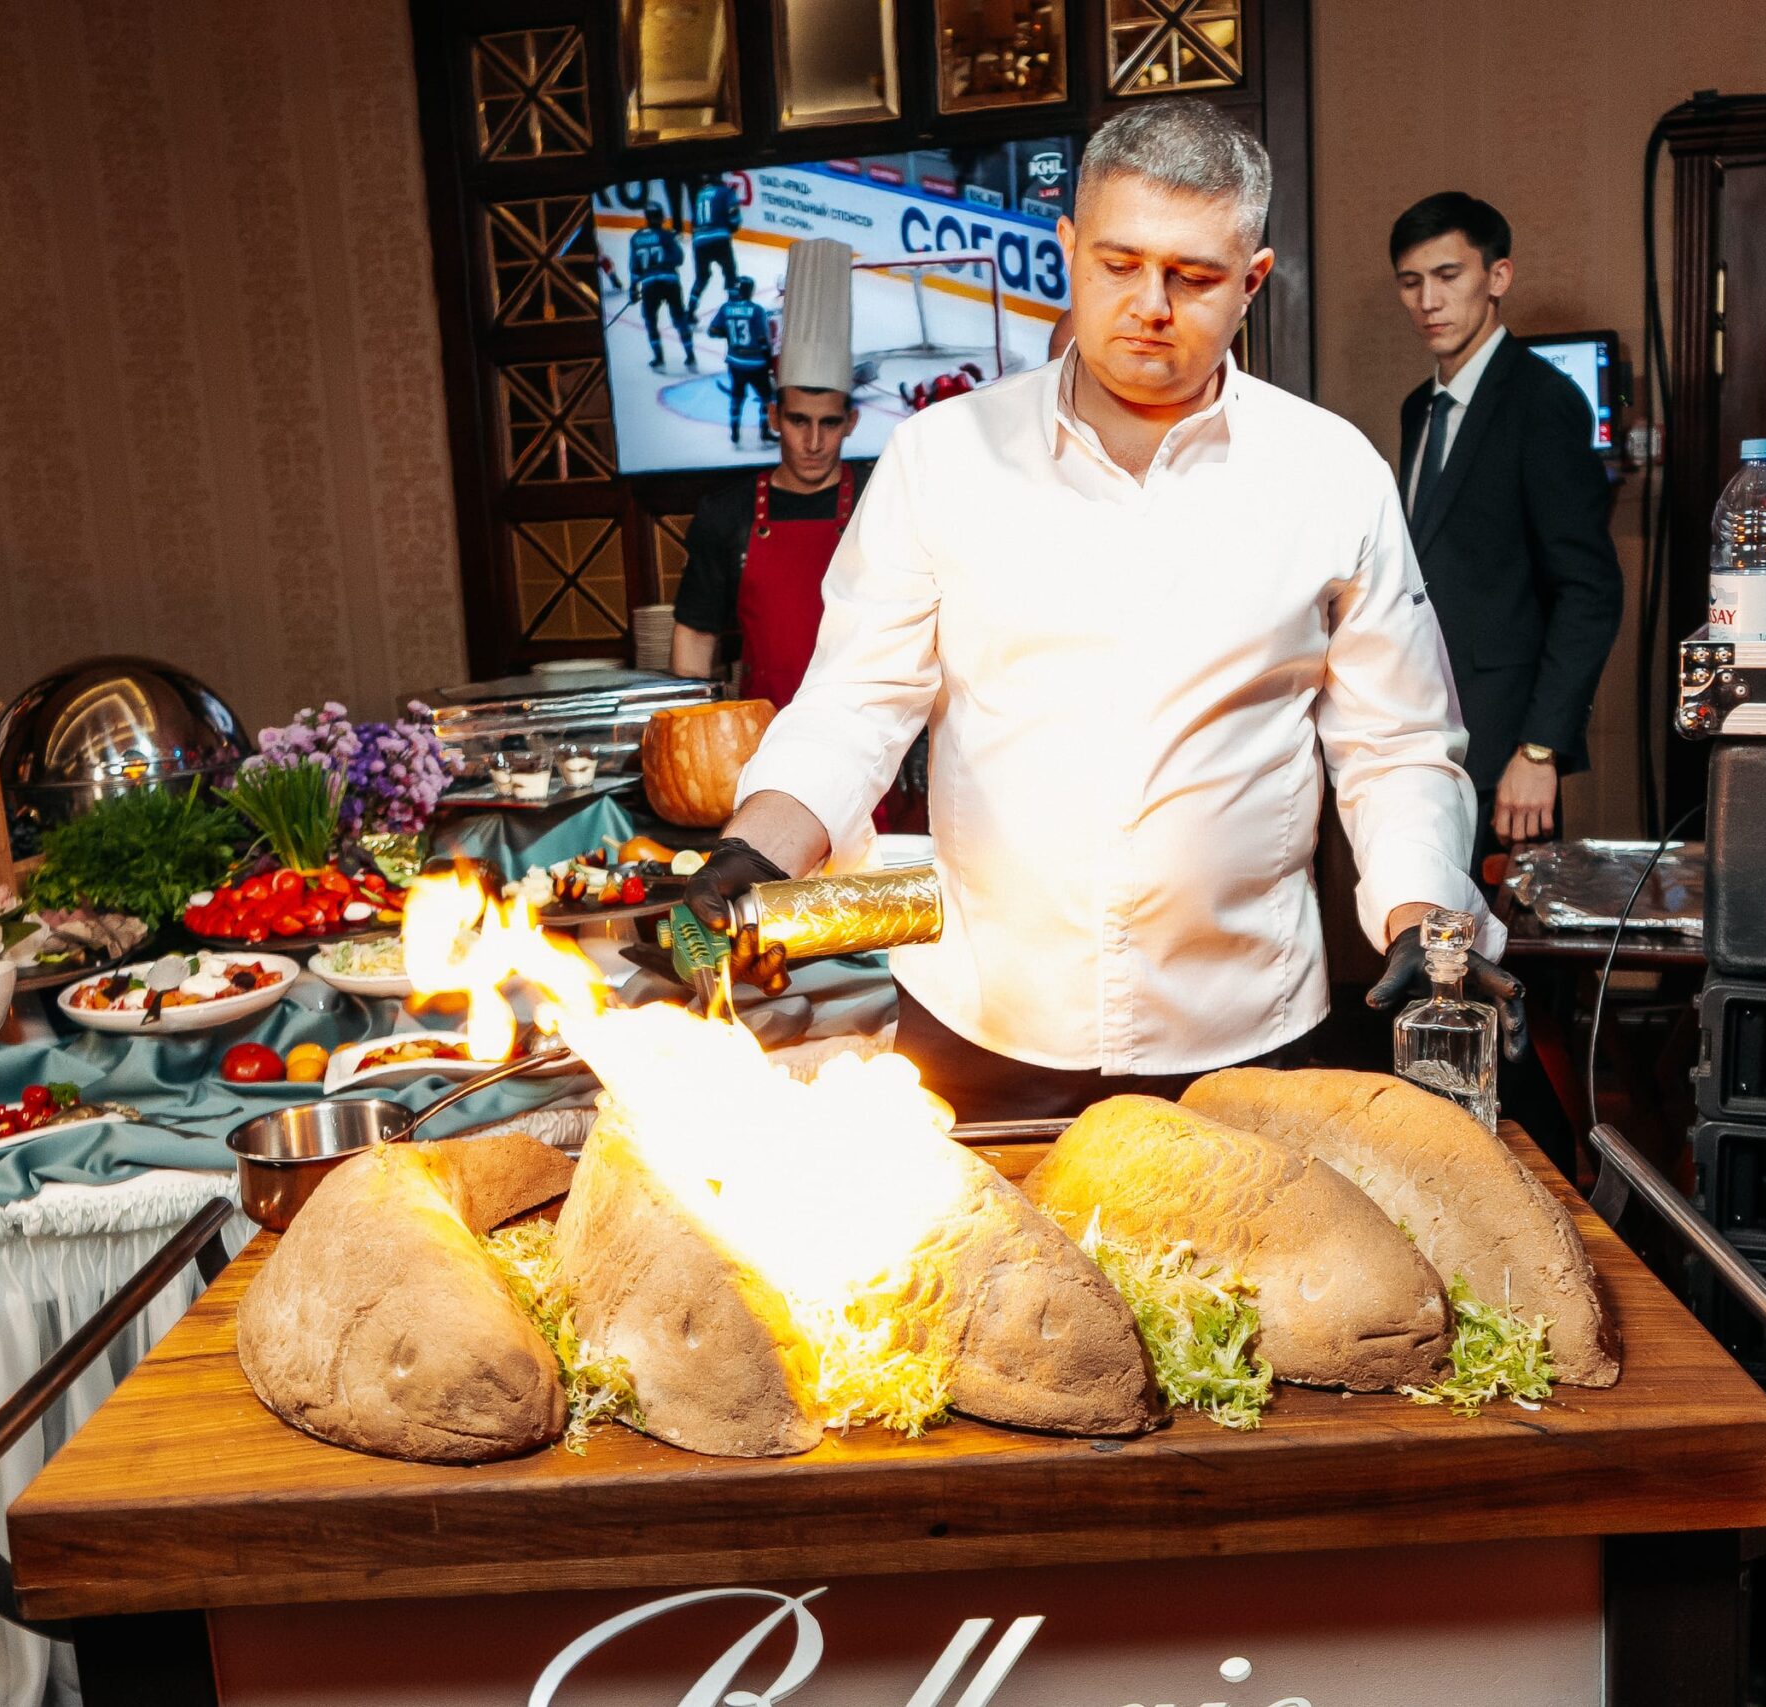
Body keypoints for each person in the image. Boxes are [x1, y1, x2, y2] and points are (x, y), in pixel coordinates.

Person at [685, 102, 1523, 1123]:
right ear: (1068, 249)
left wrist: (1420, 914)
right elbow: (857, 701)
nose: (1150, 306)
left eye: (1194, 276)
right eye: (1118, 264)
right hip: (987, 1017)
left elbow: (1396, 745)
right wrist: (757, 850)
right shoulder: (941, 457)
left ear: (1252, 281)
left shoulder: (1330, 472)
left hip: (1242, 1025)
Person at [1390, 192, 1623, 869]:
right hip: (1425, 735)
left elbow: (1589, 591)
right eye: (1410, 282)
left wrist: (1540, 749)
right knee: (1432, 925)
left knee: (1499, 933)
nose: (1428, 301)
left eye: (1448, 275)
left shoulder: (1542, 401)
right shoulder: (1418, 408)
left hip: (1507, 750)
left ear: (1497, 277)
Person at [673, 239, 861, 709]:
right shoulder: (726, 514)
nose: (813, 442)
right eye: (798, 421)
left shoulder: (881, 503)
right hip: (765, 734)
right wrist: (691, 725)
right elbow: (696, 636)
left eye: (829, 423)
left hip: (871, 738)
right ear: (775, 417)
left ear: (851, 422)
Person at [621, 205, 697, 372]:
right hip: (670, 281)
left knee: (650, 321)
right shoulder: (667, 235)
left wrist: (633, 288)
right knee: (679, 318)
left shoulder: (636, 238)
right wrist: (664, 265)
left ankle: (659, 358)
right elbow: (679, 258)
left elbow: (634, 267)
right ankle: (690, 355)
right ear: (661, 217)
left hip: (649, 285)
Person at [708, 278, 776, 449]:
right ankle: (765, 431)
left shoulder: (726, 308)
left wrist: (729, 335)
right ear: (750, 290)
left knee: (737, 396)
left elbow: (712, 331)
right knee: (766, 397)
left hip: (735, 361)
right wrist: (768, 360)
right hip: (756, 362)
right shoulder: (757, 310)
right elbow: (762, 338)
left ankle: (735, 432)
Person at [686, 172, 743, 313]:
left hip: (699, 240)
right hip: (719, 238)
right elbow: (733, 213)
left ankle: (690, 310)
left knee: (701, 277)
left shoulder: (700, 194)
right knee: (730, 272)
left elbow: (695, 220)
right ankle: (733, 306)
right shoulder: (726, 191)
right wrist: (733, 226)